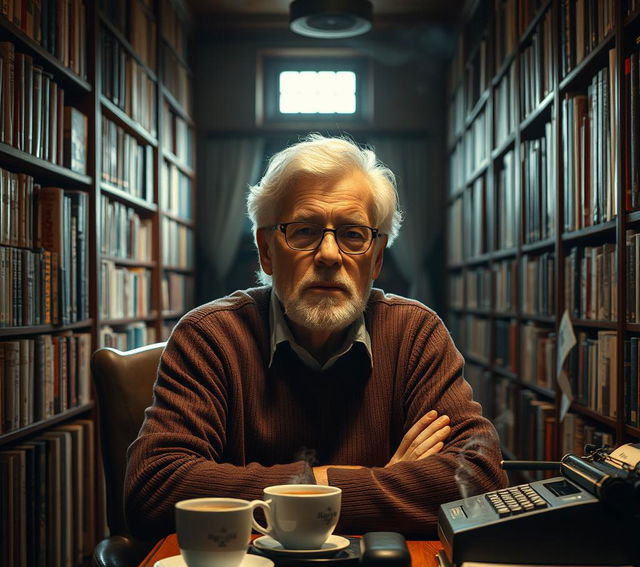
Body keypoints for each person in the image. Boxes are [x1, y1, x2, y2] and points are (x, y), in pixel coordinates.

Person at [124, 134, 507, 540]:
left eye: (353, 234)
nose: (328, 255)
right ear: (266, 251)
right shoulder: (210, 336)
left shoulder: (415, 333)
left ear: (376, 258)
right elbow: (155, 490)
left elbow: (479, 480)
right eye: (304, 231)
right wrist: (354, 481)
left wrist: (314, 490)